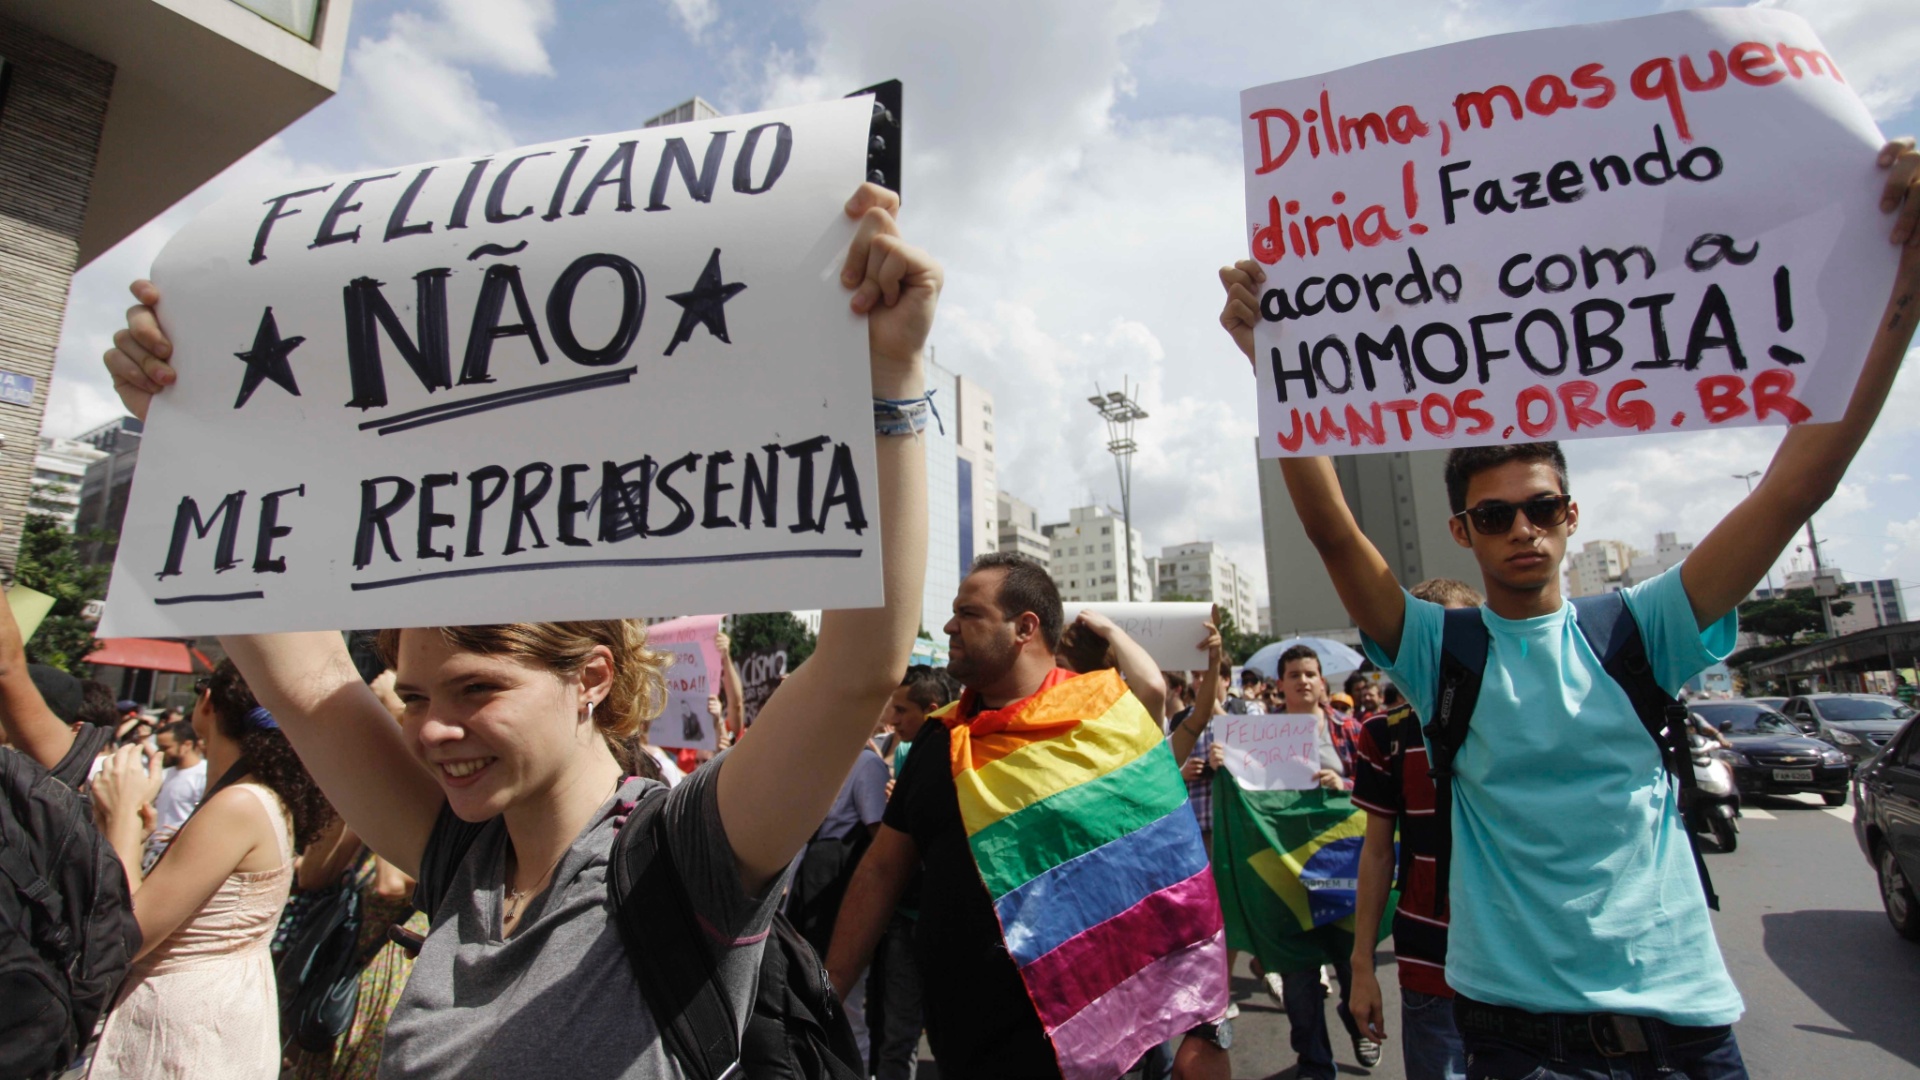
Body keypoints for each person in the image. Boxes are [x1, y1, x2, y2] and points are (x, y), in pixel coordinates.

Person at [103, 180, 937, 1078]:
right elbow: (307, 684)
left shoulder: (689, 854)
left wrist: (892, 377)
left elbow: (860, 667)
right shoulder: (460, 850)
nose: (429, 728)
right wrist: (187, 426)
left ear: (591, 678)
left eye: (477, 689)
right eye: (417, 695)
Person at [1217, 138, 1920, 1080]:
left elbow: (1795, 487)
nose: (1524, 530)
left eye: (1542, 508)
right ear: (1463, 532)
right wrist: (1274, 367)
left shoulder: (1644, 625)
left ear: (1571, 515)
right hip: (1511, 1038)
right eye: (1496, 514)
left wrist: (1901, 288)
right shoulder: (1438, 649)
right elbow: (1336, 533)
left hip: (1683, 1030)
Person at [825, 553, 1230, 1080]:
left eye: (968, 613)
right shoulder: (940, 739)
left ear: (1025, 627)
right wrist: (826, 996)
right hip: (969, 1046)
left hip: (1101, 1048)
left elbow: (1173, 878)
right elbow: (882, 870)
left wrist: (1206, 1028)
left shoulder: (1108, 721)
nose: (949, 626)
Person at [86, 661, 334, 1079]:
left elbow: (131, 933)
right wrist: (136, 837)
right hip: (215, 1011)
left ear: (206, 702)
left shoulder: (239, 803)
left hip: (187, 1021)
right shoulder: (258, 796)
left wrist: (122, 818)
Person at [1349, 578, 1484, 1080]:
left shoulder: (1525, 722)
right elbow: (1378, 853)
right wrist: (1362, 963)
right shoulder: (1384, 734)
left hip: (1528, 964)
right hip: (1432, 966)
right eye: (1426, 639)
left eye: (1459, 633)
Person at [145, 719, 208, 869]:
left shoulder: (204, 775)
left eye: (165, 748)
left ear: (186, 745)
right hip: (154, 851)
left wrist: (184, 835)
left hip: (181, 854)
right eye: (158, 747)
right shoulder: (164, 774)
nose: (160, 753)